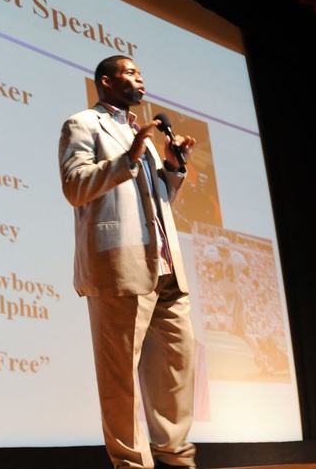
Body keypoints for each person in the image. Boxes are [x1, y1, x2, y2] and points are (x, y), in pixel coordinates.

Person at [58, 55, 198, 469]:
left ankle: (175, 458)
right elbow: (75, 186)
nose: (140, 79)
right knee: (120, 377)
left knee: (176, 369)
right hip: (119, 266)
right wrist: (130, 157)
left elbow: (154, 203)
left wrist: (172, 170)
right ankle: (132, 464)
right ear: (106, 81)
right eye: (130, 73)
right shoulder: (82, 124)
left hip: (166, 267)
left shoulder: (144, 134)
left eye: (140, 73)